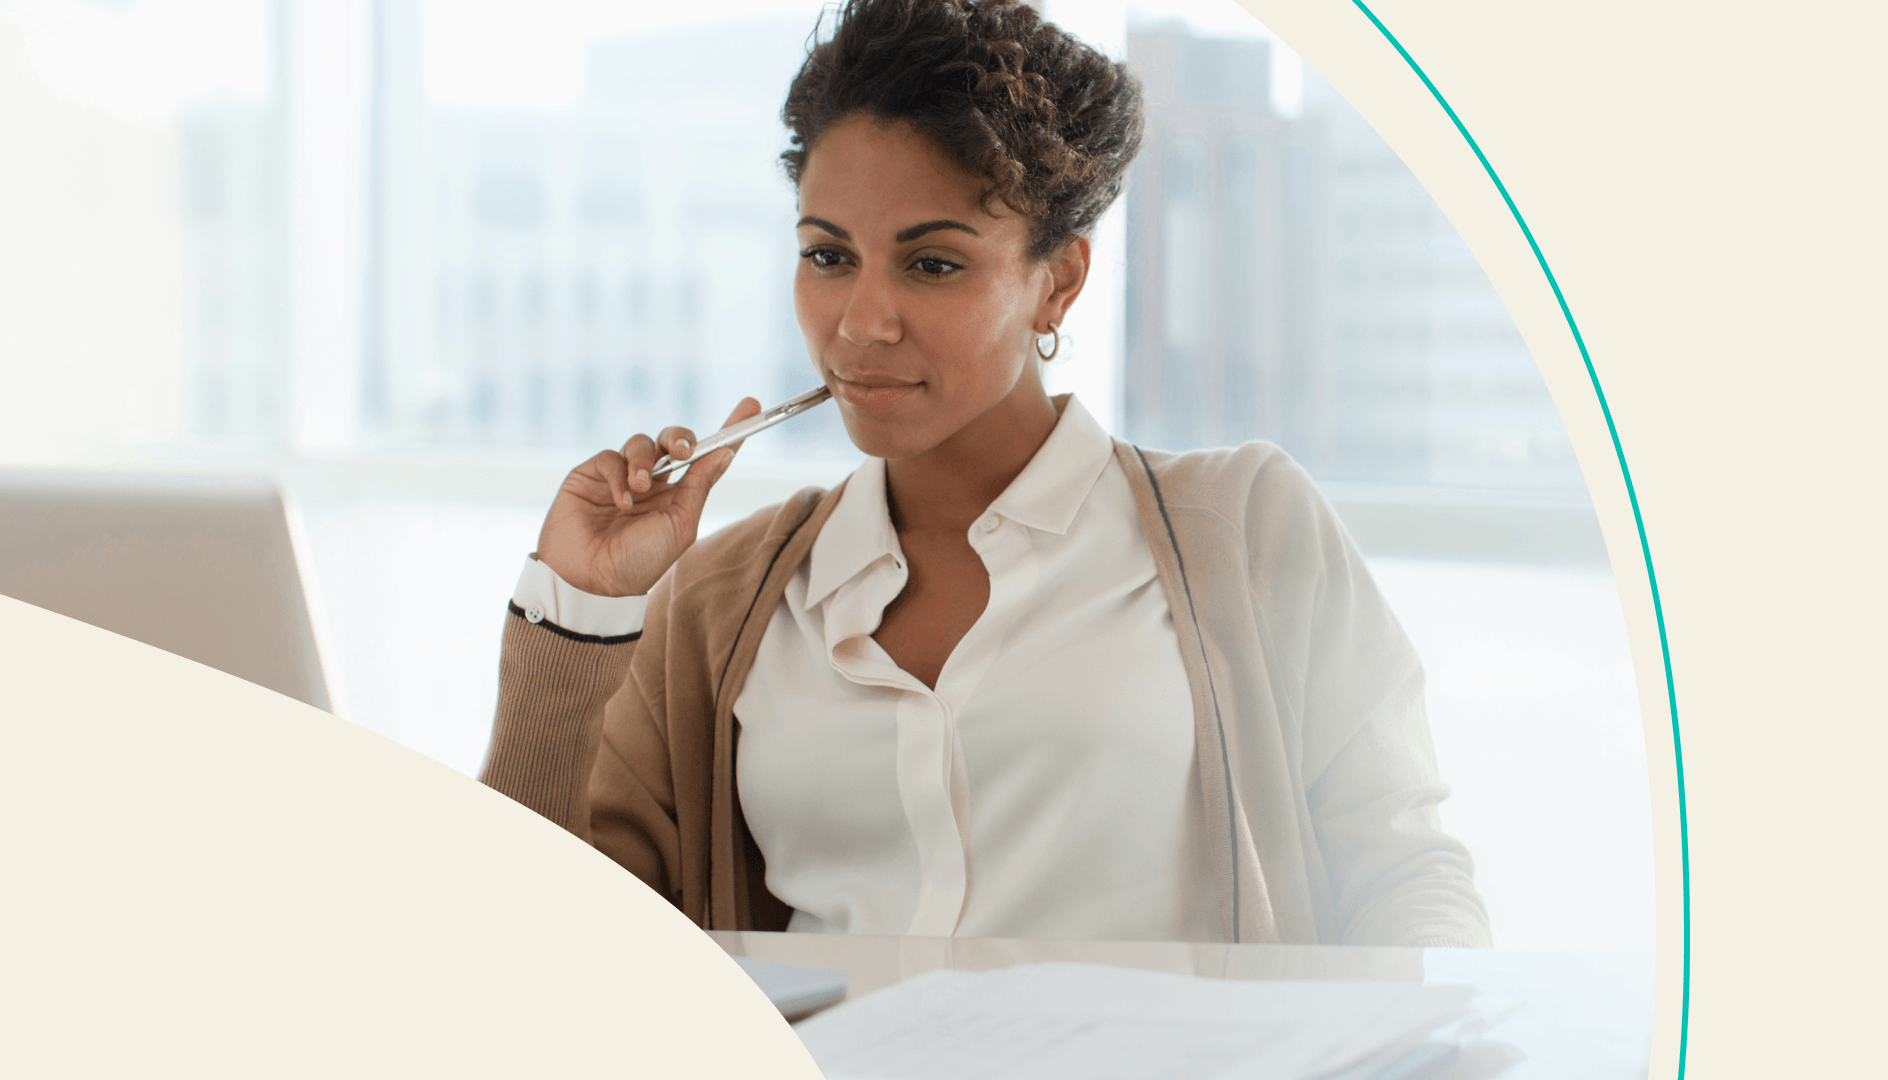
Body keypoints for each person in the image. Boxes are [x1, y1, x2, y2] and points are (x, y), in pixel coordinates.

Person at [480, 0, 1489, 947]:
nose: (861, 324)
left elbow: (1407, 880)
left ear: (1058, 282)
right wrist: (582, 604)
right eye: (829, 256)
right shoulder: (722, 604)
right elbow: (546, 941)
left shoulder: (1246, 527)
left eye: (932, 264)